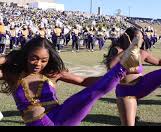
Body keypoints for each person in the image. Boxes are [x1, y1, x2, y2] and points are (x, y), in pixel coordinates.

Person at [0, 36, 142, 126]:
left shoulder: (53, 73)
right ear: (25, 55)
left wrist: (111, 79)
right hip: (36, 122)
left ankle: (123, 66)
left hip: (62, 115)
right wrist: (9, 58)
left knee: (93, 93)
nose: (38, 63)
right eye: (34, 58)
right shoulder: (13, 74)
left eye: (44, 60)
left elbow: (84, 80)